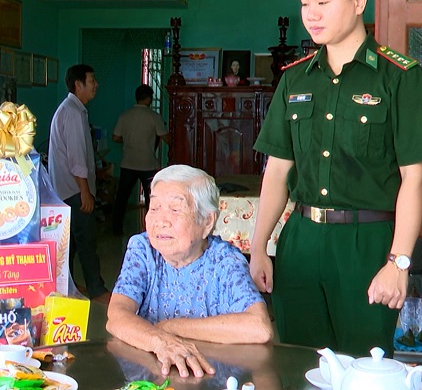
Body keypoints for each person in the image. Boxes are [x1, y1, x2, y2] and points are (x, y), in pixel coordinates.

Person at [249, 0, 422, 356]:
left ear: (359, 0)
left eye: (323, 1)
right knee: (298, 367)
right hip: (300, 242)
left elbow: (416, 180)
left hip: (367, 245)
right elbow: (277, 170)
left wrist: (399, 263)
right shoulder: (294, 79)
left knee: (364, 369)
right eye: (304, 3)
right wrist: (259, 247)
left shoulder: (400, 78)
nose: (311, 14)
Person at [107, 165, 273, 378]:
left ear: (207, 221)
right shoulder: (143, 249)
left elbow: (259, 328)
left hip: (207, 377)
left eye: (175, 209)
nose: (161, 221)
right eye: (155, 207)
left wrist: (172, 327)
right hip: (152, 376)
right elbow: (117, 315)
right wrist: (160, 341)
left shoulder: (225, 260)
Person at [49, 64, 109, 299]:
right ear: (78, 84)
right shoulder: (72, 113)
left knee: (71, 243)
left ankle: (68, 286)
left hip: (67, 189)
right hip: (74, 189)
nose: (96, 85)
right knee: (86, 241)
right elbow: (76, 159)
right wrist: (85, 191)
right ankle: (96, 289)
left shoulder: (73, 110)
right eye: (92, 80)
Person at [111, 84, 169, 236]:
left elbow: (115, 137)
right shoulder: (154, 117)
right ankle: (152, 230)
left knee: (122, 197)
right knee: (152, 200)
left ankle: (116, 228)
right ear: (149, 98)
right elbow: (165, 137)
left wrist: (130, 141)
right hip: (148, 164)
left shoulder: (125, 115)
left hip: (128, 163)